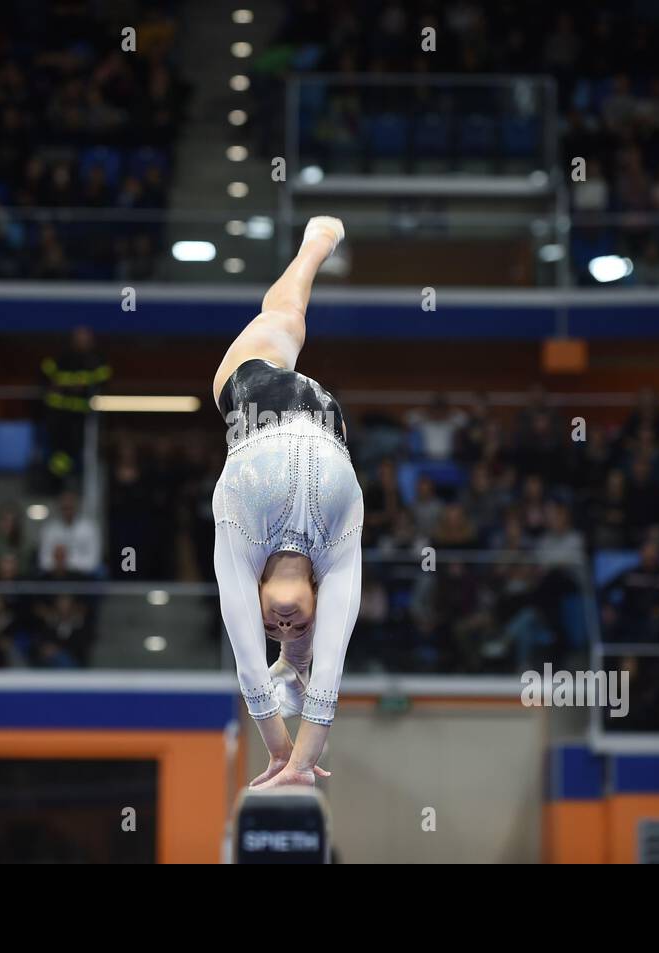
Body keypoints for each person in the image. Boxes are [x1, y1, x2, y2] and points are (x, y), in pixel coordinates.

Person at [211, 216, 363, 790]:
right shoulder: (340, 552)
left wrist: (280, 750)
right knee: (282, 323)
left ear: (254, 598)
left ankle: (313, 249)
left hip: (256, 402)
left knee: (283, 321)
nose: (277, 625)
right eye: (291, 627)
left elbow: (249, 663)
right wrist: (300, 755)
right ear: (317, 598)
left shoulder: (240, 543)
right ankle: (314, 247)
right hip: (322, 424)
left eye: (272, 628)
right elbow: (329, 668)